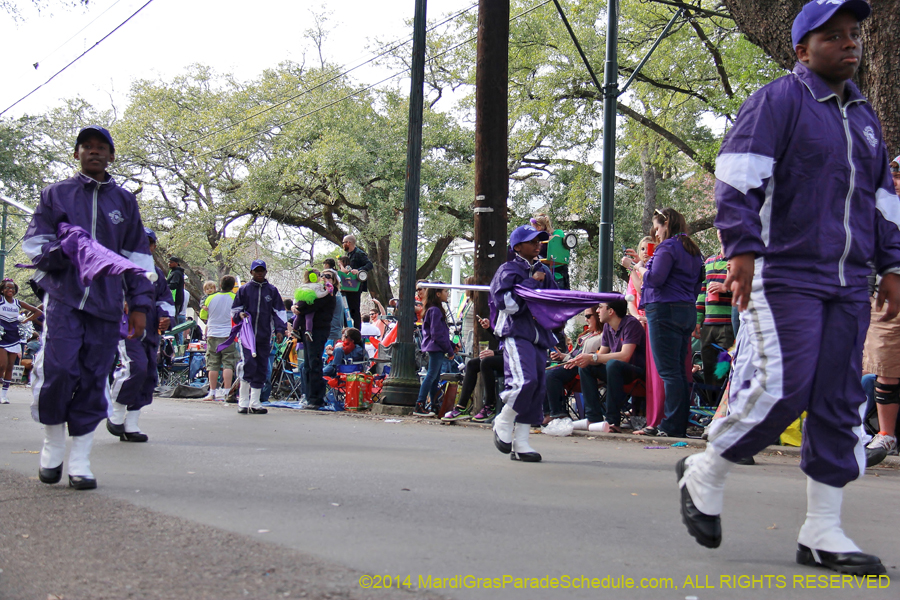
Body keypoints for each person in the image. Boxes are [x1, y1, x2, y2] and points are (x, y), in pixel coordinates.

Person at [675, 0, 896, 575]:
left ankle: (822, 529)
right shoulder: (778, 101)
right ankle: (708, 468)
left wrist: (893, 266)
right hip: (784, 273)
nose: (850, 44)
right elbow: (738, 176)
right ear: (802, 49)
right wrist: (742, 250)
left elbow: (884, 203)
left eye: (854, 35)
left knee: (840, 400)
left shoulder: (867, 119)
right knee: (781, 385)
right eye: (834, 36)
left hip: (850, 281)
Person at [25, 124, 155, 490]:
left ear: (111, 155)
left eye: (102, 147)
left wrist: (140, 307)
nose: (94, 151)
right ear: (78, 153)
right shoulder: (56, 195)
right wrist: (64, 247)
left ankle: (80, 458)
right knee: (59, 370)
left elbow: (138, 260)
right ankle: (52, 444)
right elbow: (35, 247)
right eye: (86, 146)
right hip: (64, 300)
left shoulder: (125, 202)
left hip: (107, 305)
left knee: (94, 377)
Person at [621, 208, 702, 437]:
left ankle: (670, 425)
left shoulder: (668, 246)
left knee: (669, 371)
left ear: (666, 224)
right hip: (686, 310)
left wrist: (635, 267)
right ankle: (676, 424)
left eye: (657, 228)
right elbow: (697, 284)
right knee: (678, 370)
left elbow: (655, 279)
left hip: (664, 310)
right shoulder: (693, 250)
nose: (656, 234)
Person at [489, 225, 557, 462]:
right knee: (524, 381)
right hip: (515, 333)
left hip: (539, 336)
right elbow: (508, 305)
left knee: (537, 386)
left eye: (539, 239)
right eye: (532, 240)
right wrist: (532, 284)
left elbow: (553, 302)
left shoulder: (544, 271)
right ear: (517, 247)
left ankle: (522, 442)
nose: (538, 243)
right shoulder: (507, 270)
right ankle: (503, 420)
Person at [107, 228, 174, 441]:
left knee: (148, 375)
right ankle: (116, 411)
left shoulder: (157, 273)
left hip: (151, 332)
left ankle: (131, 424)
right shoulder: (119, 268)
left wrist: (167, 318)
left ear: (154, 246)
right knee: (135, 366)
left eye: (149, 242)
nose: (144, 246)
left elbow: (166, 300)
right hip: (127, 331)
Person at [862, 154, 900, 466]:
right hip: (885, 297)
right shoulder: (879, 210)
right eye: (894, 178)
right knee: (885, 367)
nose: (896, 184)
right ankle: (885, 433)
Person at [571, 299, 646, 433]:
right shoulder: (607, 327)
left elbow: (625, 356)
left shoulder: (631, 324)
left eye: (600, 307)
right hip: (615, 371)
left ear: (611, 311)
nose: (597, 311)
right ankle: (593, 417)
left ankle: (613, 421)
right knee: (587, 366)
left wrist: (593, 356)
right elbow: (601, 355)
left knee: (613, 364)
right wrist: (583, 359)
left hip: (636, 372)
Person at [231, 260, 286, 415]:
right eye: (257, 271)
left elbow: (279, 312)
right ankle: (243, 401)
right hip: (247, 336)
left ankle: (255, 402)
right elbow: (235, 310)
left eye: (262, 270)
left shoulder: (272, 291)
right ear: (251, 273)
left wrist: (280, 330)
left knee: (262, 366)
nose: (259, 273)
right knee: (249, 364)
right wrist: (239, 315)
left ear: (266, 272)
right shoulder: (244, 290)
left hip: (264, 336)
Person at [541, 307, 603, 424]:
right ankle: (547, 413)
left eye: (589, 316)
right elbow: (573, 354)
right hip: (572, 363)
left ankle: (558, 414)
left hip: (584, 367)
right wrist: (562, 356)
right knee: (543, 371)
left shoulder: (602, 336)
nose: (586, 320)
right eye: (585, 316)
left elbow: (594, 356)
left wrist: (573, 360)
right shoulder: (586, 334)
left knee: (551, 374)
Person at [694, 231, 734, 405]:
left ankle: (724, 409)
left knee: (724, 368)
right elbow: (702, 293)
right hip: (709, 326)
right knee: (708, 368)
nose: (721, 232)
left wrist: (725, 287)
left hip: (728, 324)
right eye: (719, 228)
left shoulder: (739, 262)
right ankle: (711, 409)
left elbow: (746, 286)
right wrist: (697, 320)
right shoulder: (709, 262)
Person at [441, 316, 504, 422]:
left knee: (486, 362)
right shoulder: (505, 316)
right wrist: (490, 328)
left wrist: (496, 353)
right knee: (472, 364)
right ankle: (461, 408)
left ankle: (490, 405)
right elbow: (502, 338)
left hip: (515, 358)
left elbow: (516, 345)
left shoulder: (517, 319)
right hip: (504, 353)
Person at [293, 268, 336, 409]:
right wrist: (295, 306)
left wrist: (298, 308)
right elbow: (304, 300)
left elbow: (311, 305)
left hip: (318, 330)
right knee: (308, 363)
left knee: (314, 362)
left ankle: (315, 398)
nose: (323, 278)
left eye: (328, 276)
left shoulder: (329, 294)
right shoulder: (315, 291)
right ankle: (308, 395)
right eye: (322, 275)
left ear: (334, 280)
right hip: (307, 330)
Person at [414, 285, 454, 417]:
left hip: (434, 346)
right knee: (431, 375)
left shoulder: (431, 310)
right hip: (436, 347)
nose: (447, 294)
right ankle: (420, 403)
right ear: (437, 294)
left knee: (435, 377)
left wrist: (451, 345)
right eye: (445, 291)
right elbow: (438, 334)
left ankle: (434, 404)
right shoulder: (436, 311)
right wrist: (449, 349)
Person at [0, 279, 42, 403]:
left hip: (14, 336)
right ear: (2, 290)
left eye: (12, 288)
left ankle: (3, 395)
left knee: (10, 366)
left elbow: (38, 311)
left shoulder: (18, 303)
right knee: (2, 365)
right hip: (2, 335)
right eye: (7, 288)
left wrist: (26, 320)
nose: (10, 290)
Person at [199, 275, 237, 401]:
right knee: (228, 363)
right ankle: (227, 392)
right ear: (233, 286)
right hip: (228, 334)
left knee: (213, 363)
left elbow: (203, 314)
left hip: (212, 332)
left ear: (220, 285)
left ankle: (212, 392)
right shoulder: (234, 298)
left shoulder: (210, 298)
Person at [340, 235, 373, 329]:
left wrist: (358, 270)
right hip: (347, 286)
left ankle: (357, 331)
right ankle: (347, 330)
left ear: (348, 243)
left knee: (354, 309)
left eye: (343, 243)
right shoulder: (348, 255)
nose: (343, 245)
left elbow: (369, 264)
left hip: (356, 286)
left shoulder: (359, 253)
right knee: (346, 310)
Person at [167, 256, 186, 343]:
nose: (169, 264)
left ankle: (176, 342)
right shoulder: (172, 272)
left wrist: (163, 286)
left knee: (174, 322)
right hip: (172, 300)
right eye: (169, 262)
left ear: (176, 263)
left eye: (171, 262)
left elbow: (174, 285)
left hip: (175, 300)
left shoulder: (177, 273)